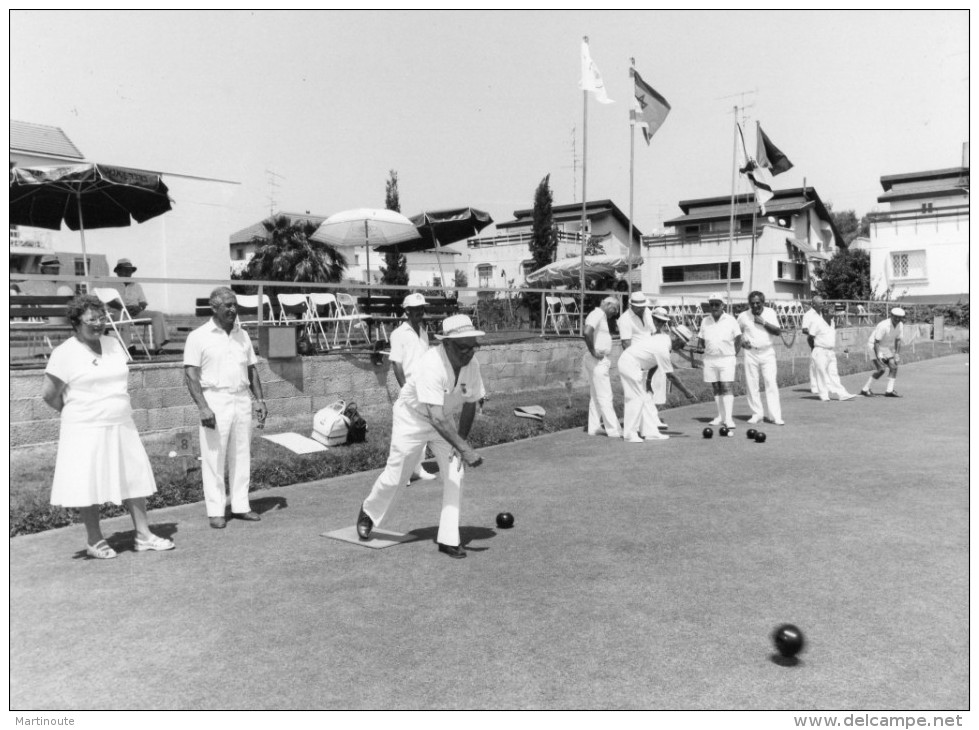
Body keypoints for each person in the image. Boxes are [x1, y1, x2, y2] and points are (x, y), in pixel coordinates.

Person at [40, 294, 174, 559]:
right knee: (88, 481)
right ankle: (94, 539)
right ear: (76, 323)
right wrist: (76, 414)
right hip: (84, 428)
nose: (99, 323)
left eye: (101, 318)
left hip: (121, 423)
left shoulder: (113, 343)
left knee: (134, 476)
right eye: (92, 320)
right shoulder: (64, 353)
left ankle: (143, 535)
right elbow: (49, 395)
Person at [356, 314, 486, 559]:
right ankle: (369, 512)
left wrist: (461, 444)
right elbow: (434, 417)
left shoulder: (472, 364)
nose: (470, 352)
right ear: (446, 344)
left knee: (455, 472)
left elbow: (470, 403)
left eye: (473, 346)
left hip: (443, 422)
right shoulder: (431, 364)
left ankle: (449, 538)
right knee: (397, 474)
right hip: (413, 418)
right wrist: (466, 448)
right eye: (464, 347)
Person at [183, 287, 268, 529]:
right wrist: (203, 407)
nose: (233, 309)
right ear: (214, 308)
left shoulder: (243, 335)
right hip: (215, 400)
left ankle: (241, 505)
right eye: (227, 305)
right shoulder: (198, 336)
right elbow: (190, 374)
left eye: (234, 304)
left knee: (241, 454)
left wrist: (259, 400)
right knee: (214, 457)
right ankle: (216, 510)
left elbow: (251, 369)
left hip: (241, 399)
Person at [618, 307, 695, 442]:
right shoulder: (663, 348)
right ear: (676, 338)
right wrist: (686, 392)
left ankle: (650, 432)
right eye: (682, 344)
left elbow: (654, 362)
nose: (682, 348)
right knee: (636, 399)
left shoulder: (663, 339)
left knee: (646, 399)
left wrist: (648, 381)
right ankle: (630, 434)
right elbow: (671, 376)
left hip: (634, 365)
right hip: (629, 364)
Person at [388, 292, 436, 483]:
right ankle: (401, 473)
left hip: (424, 388)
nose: (419, 312)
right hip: (409, 388)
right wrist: (404, 389)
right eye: (415, 309)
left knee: (421, 430)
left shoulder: (423, 331)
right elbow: (396, 364)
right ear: (407, 311)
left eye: (421, 308)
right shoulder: (398, 334)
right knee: (404, 432)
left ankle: (416, 468)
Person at [737, 291, 785, 426]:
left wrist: (763, 322)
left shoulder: (770, 313)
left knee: (770, 382)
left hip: (767, 352)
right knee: (752, 384)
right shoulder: (743, 316)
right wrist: (741, 341)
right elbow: (736, 332)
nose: (755, 305)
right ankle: (757, 414)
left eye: (758, 303)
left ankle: (775, 416)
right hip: (751, 353)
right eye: (752, 303)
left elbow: (777, 331)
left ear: (763, 302)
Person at [697, 295, 743, 430]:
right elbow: (701, 338)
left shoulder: (731, 320)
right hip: (710, 358)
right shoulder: (705, 321)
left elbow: (738, 338)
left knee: (726, 387)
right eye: (711, 304)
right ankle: (720, 416)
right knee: (716, 388)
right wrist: (701, 346)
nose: (714, 307)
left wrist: (734, 354)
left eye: (717, 304)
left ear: (723, 305)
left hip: (727, 358)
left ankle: (728, 419)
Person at [110, 258, 170, 355]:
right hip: (118, 311)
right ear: (118, 271)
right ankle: (126, 348)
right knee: (124, 319)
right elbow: (109, 301)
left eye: (129, 271)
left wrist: (139, 308)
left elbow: (143, 302)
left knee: (157, 315)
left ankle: (158, 347)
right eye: (124, 270)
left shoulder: (136, 285)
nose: (127, 273)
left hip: (135, 311)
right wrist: (123, 308)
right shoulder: (111, 284)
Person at [582, 296, 622, 437]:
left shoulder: (601, 316)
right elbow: (587, 332)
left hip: (598, 360)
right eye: (614, 309)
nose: (615, 312)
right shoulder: (597, 314)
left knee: (596, 395)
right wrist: (593, 351)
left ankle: (594, 427)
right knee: (605, 395)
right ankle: (614, 429)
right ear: (607, 304)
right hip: (596, 360)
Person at [807, 303, 856, 401]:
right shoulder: (816, 322)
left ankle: (842, 394)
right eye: (832, 311)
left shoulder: (832, 322)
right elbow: (810, 338)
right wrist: (815, 349)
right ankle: (824, 395)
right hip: (820, 350)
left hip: (830, 351)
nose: (834, 313)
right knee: (821, 373)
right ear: (825, 312)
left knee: (834, 373)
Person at [861, 307, 906, 397]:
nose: (897, 319)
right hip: (873, 345)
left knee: (893, 367)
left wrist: (897, 353)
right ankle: (865, 390)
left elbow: (898, 340)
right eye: (895, 317)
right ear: (891, 315)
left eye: (899, 317)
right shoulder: (883, 325)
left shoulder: (900, 325)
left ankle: (889, 391)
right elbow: (876, 342)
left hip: (884, 347)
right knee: (881, 369)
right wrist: (879, 355)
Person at [20, 254, 75, 325]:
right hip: (44, 319)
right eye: (53, 268)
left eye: (57, 269)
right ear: (44, 269)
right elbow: (15, 287)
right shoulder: (34, 282)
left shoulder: (64, 284)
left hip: (65, 318)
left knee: (64, 290)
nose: (56, 271)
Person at [801, 295, 825, 395]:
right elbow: (804, 329)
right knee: (814, 363)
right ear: (814, 304)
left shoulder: (821, 314)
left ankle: (822, 384)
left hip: (822, 340)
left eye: (823, 303)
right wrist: (814, 334)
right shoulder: (808, 315)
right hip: (813, 339)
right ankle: (814, 386)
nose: (822, 305)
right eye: (820, 304)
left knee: (822, 362)